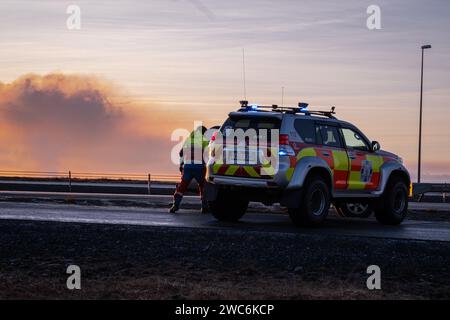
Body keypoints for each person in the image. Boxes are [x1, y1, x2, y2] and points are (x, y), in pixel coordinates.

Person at [169, 125, 209, 213]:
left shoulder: (188, 140)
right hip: (199, 167)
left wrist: (182, 163)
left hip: (187, 167)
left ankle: (175, 205)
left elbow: (180, 153)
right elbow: (208, 154)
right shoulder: (205, 141)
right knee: (203, 186)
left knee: (182, 186)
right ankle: (204, 206)